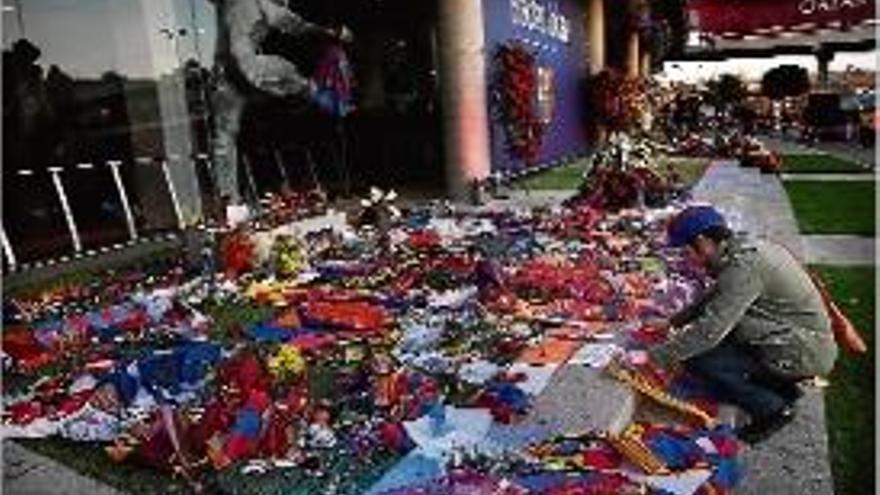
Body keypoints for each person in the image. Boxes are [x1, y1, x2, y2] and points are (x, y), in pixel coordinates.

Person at [639, 205, 838, 444]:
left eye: (685, 250)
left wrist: (654, 357)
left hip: (804, 350)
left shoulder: (745, 266)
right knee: (713, 346)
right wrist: (672, 322)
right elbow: (715, 297)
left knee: (701, 358)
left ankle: (772, 409)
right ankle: (781, 387)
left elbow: (709, 332)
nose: (685, 258)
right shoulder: (742, 252)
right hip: (797, 341)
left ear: (702, 242)